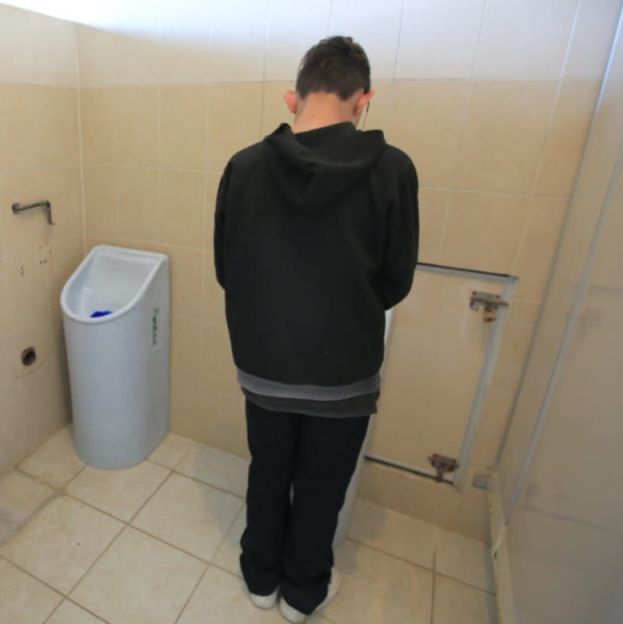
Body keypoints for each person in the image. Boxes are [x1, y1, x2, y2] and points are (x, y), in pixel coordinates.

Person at [212, 36, 419, 622]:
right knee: (322, 486)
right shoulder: (394, 170)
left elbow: (228, 269)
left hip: (264, 365)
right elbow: (396, 280)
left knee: (268, 472)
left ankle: (260, 579)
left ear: (292, 97)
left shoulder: (244, 166)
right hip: (344, 373)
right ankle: (303, 594)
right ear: (364, 100)